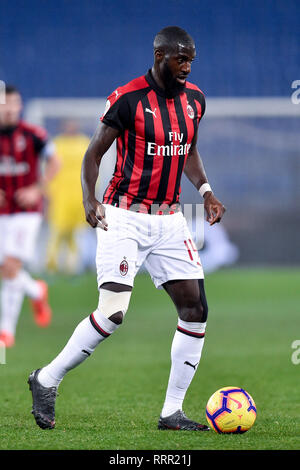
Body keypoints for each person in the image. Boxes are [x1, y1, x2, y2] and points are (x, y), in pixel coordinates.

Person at [28, 26, 226, 431]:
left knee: (196, 309)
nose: (187, 66)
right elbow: (93, 153)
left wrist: (205, 191)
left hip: (170, 219)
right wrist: (89, 198)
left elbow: (186, 149)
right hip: (124, 217)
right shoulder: (128, 98)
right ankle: (46, 379)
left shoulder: (195, 101)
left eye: (191, 59)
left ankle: (172, 411)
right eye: (180, 59)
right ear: (160, 56)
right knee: (113, 314)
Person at [0, 85, 60, 347]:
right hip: (2, 212)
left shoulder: (34, 134)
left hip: (27, 212)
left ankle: (6, 331)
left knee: (11, 266)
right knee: (6, 269)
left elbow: (55, 162)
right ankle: (37, 290)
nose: (11, 108)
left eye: (15, 103)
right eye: (6, 103)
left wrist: (38, 189)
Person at [46, 120, 90, 274]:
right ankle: (51, 266)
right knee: (57, 231)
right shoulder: (56, 144)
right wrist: (48, 190)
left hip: (79, 195)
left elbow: (91, 168)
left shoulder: (85, 143)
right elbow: (49, 168)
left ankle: (73, 267)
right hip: (60, 194)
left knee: (76, 233)